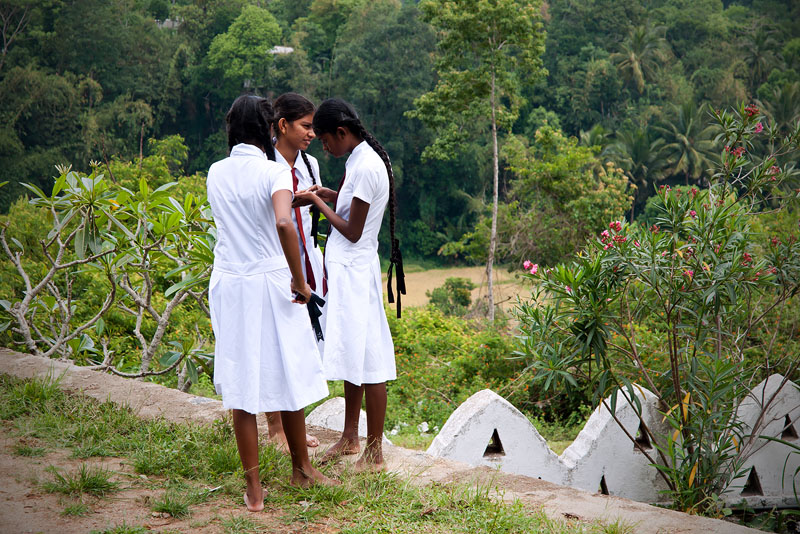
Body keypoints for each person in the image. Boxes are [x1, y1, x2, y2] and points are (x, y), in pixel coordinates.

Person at [207, 94, 336, 512]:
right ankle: (302, 469)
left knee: (243, 387)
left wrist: (290, 200)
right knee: (291, 371)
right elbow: (282, 221)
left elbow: (246, 215)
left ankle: (254, 491)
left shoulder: (215, 172)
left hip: (231, 281)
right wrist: (300, 281)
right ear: (269, 128)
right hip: (271, 280)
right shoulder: (273, 172)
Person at [294, 98, 405, 472]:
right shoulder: (358, 160)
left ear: (342, 132)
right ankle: (350, 436)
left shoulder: (367, 166)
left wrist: (314, 201)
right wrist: (330, 195)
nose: (323, 147)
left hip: (357, 273)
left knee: (369, 360)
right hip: (347, 272)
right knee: (351, 355)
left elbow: (354, 231)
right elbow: (354, 206)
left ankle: (374, 452)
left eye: (325, 140)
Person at [264, 92, 325, 451]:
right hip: (275, 264)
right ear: (283, 125)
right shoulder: (265, 165)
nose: (311, 133)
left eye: (314, 127)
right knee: (275, 344)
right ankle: (275, 429)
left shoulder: (310, 165)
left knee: (300, 345)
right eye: (305, 126)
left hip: (306, 260)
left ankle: (294, 428)